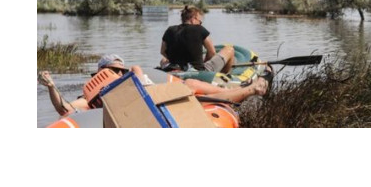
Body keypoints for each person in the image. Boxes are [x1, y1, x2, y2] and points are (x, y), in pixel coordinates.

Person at [39, 52, 266, 119]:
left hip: (162, 97)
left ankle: (235, 90)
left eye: (120, 70)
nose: (118, 73)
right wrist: (51, 85)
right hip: (151, 111)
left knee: (191, 85)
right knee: (191, 92)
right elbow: (66, 109)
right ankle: (248, 89)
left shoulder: (135, 72)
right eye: (114, 70)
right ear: (100, 74)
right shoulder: (92, 97)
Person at [161, 6, 235, 78]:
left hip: (176, 69)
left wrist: (174, 60)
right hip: (198, 73)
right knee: (229, 49)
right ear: (194, 18)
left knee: (163, 60)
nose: (200, 24)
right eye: (200, 22)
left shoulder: (170, 30)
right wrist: (204, 62)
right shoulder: (199, 29)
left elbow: (162, 51)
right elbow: (212, 52)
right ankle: (222, 77)